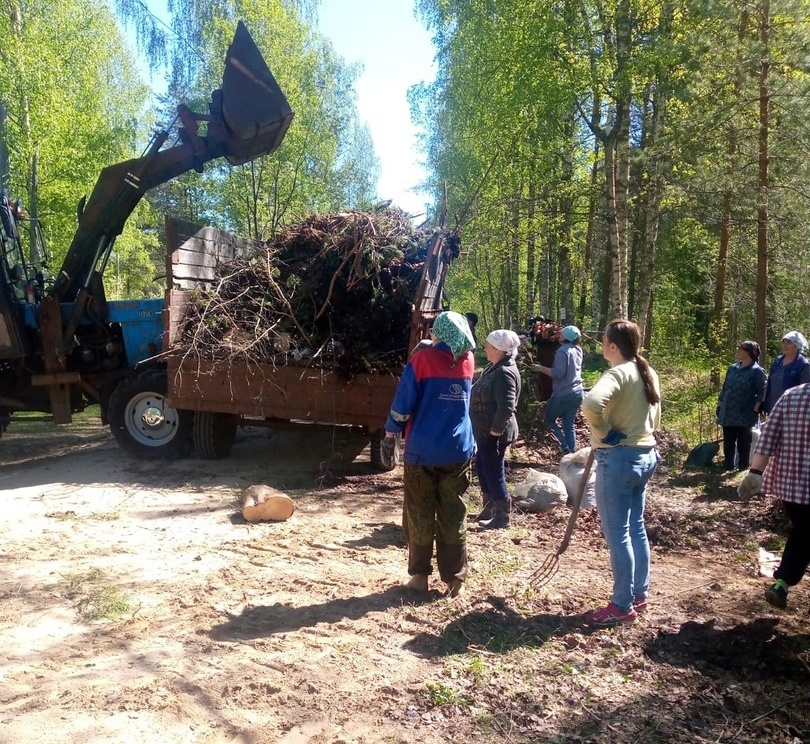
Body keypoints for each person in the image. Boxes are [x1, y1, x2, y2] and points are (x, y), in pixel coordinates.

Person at [382, 311, 476, 597]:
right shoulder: (469, 360)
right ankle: (455, 579)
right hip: (458, 449)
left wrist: (390, 433)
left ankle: (420, 577)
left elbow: (404, 401)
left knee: (420, 512)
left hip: (423, 450)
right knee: (454, 513)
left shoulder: (421, 360)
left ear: (440, 333)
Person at [581, 319, 661, 626]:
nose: (602, 345)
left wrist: (602, 431)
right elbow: (654, 413)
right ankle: (638, 594)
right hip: (644, 455)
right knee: (635, 527)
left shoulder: (618, 372)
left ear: (613, 346)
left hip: (619, 459)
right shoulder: (646, 371)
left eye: (604, 340)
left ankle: (621, 605)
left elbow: (590, 403)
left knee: (618, 533)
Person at [739, 382, 810, 609]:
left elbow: (767, 438)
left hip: (794, 490)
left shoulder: (792, 396)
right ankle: (782, 582)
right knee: (803, 534)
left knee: (803, 532)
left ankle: (781, 583)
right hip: (795, 489)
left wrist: (755, 473)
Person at [469, 329, 523, 529]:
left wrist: (494, 433)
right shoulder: (494, 367)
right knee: (483, 467)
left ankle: (502, 517)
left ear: (499, 349)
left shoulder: (504, 372)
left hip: (495, 433)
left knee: (494, 472)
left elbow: (507, 406)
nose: (485, 348)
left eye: (488, 345)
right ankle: (489, 508)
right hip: (485, 431)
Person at [716, 341, 766, 470]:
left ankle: (743, 465)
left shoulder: (757, 371)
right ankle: (728, 464)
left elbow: (762, 392)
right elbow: (725, 387)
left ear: (749, 353)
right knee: (728, 440)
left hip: (745, 412)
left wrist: (756, 409)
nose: (739, 351)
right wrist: (720, 404)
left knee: (744, 441)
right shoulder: (732, 368)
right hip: (728, 410)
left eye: (742, 350)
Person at [538, 325, 584, 454]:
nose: (559, 335)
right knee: (568, 424)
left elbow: (558, 373)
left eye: (562, 333)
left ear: (567, 337)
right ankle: (573, 452)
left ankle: (565, 448)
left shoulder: (562, 351)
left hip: (563, 394)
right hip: (578, 393)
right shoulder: (578, 349)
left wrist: (540, 368)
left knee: (548, 420)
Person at [758, 331, 810, 415]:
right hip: (773, 407)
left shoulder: (803, 364)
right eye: (783, 342)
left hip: (792, 409)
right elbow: (769, 383)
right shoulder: (778, 361)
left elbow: (806, 391)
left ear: (797, 345)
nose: (785, 345)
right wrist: (764, 403)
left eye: (789, 343)